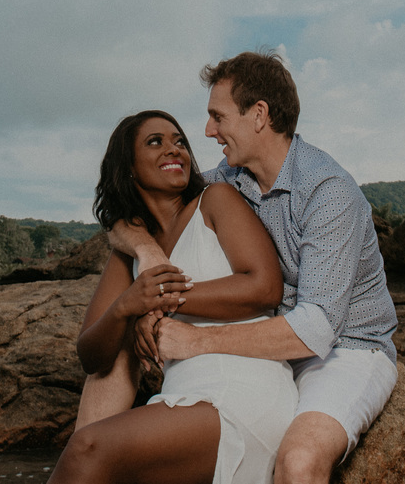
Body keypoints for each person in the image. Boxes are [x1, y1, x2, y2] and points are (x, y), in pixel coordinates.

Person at [110, 51, 398, 484]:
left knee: (298, 461)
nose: (208, 131)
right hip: (270, 348)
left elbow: (316, 328)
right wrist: (146, 251)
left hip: (346, 349)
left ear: (259, 115)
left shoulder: (328, 192)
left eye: (218, 117)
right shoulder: (230, 178)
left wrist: (197, 341)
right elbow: (129, 211)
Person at [48, 110, 298, 484]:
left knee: (87, 449)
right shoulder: (129, 252)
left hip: (241, 390)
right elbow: (91, 355)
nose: (174, 149)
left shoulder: (215, 200)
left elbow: (264, 287)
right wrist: (126, 308)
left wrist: (159, 300)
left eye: (179, 141)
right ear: (128, 168)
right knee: (91, 453)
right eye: (156, 142)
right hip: (181, 397)